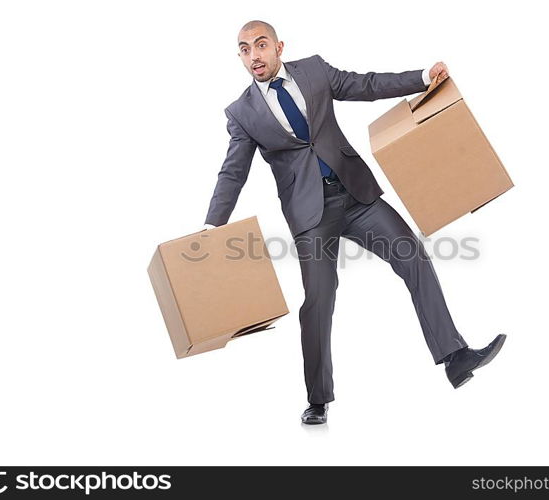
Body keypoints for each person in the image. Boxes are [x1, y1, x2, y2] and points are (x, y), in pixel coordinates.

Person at [204, 20, 506, 425]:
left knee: (412, 255)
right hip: (310, 216)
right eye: (244, 49)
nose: (253, 55)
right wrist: (212, 226)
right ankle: (318, 399)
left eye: (260, 45)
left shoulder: (313, 71)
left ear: (279, 46)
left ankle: (454, 356)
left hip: (356, 195)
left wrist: (421, 78)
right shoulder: (242, 113)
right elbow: (233, 171)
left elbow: (365, 85)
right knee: (319, 301)